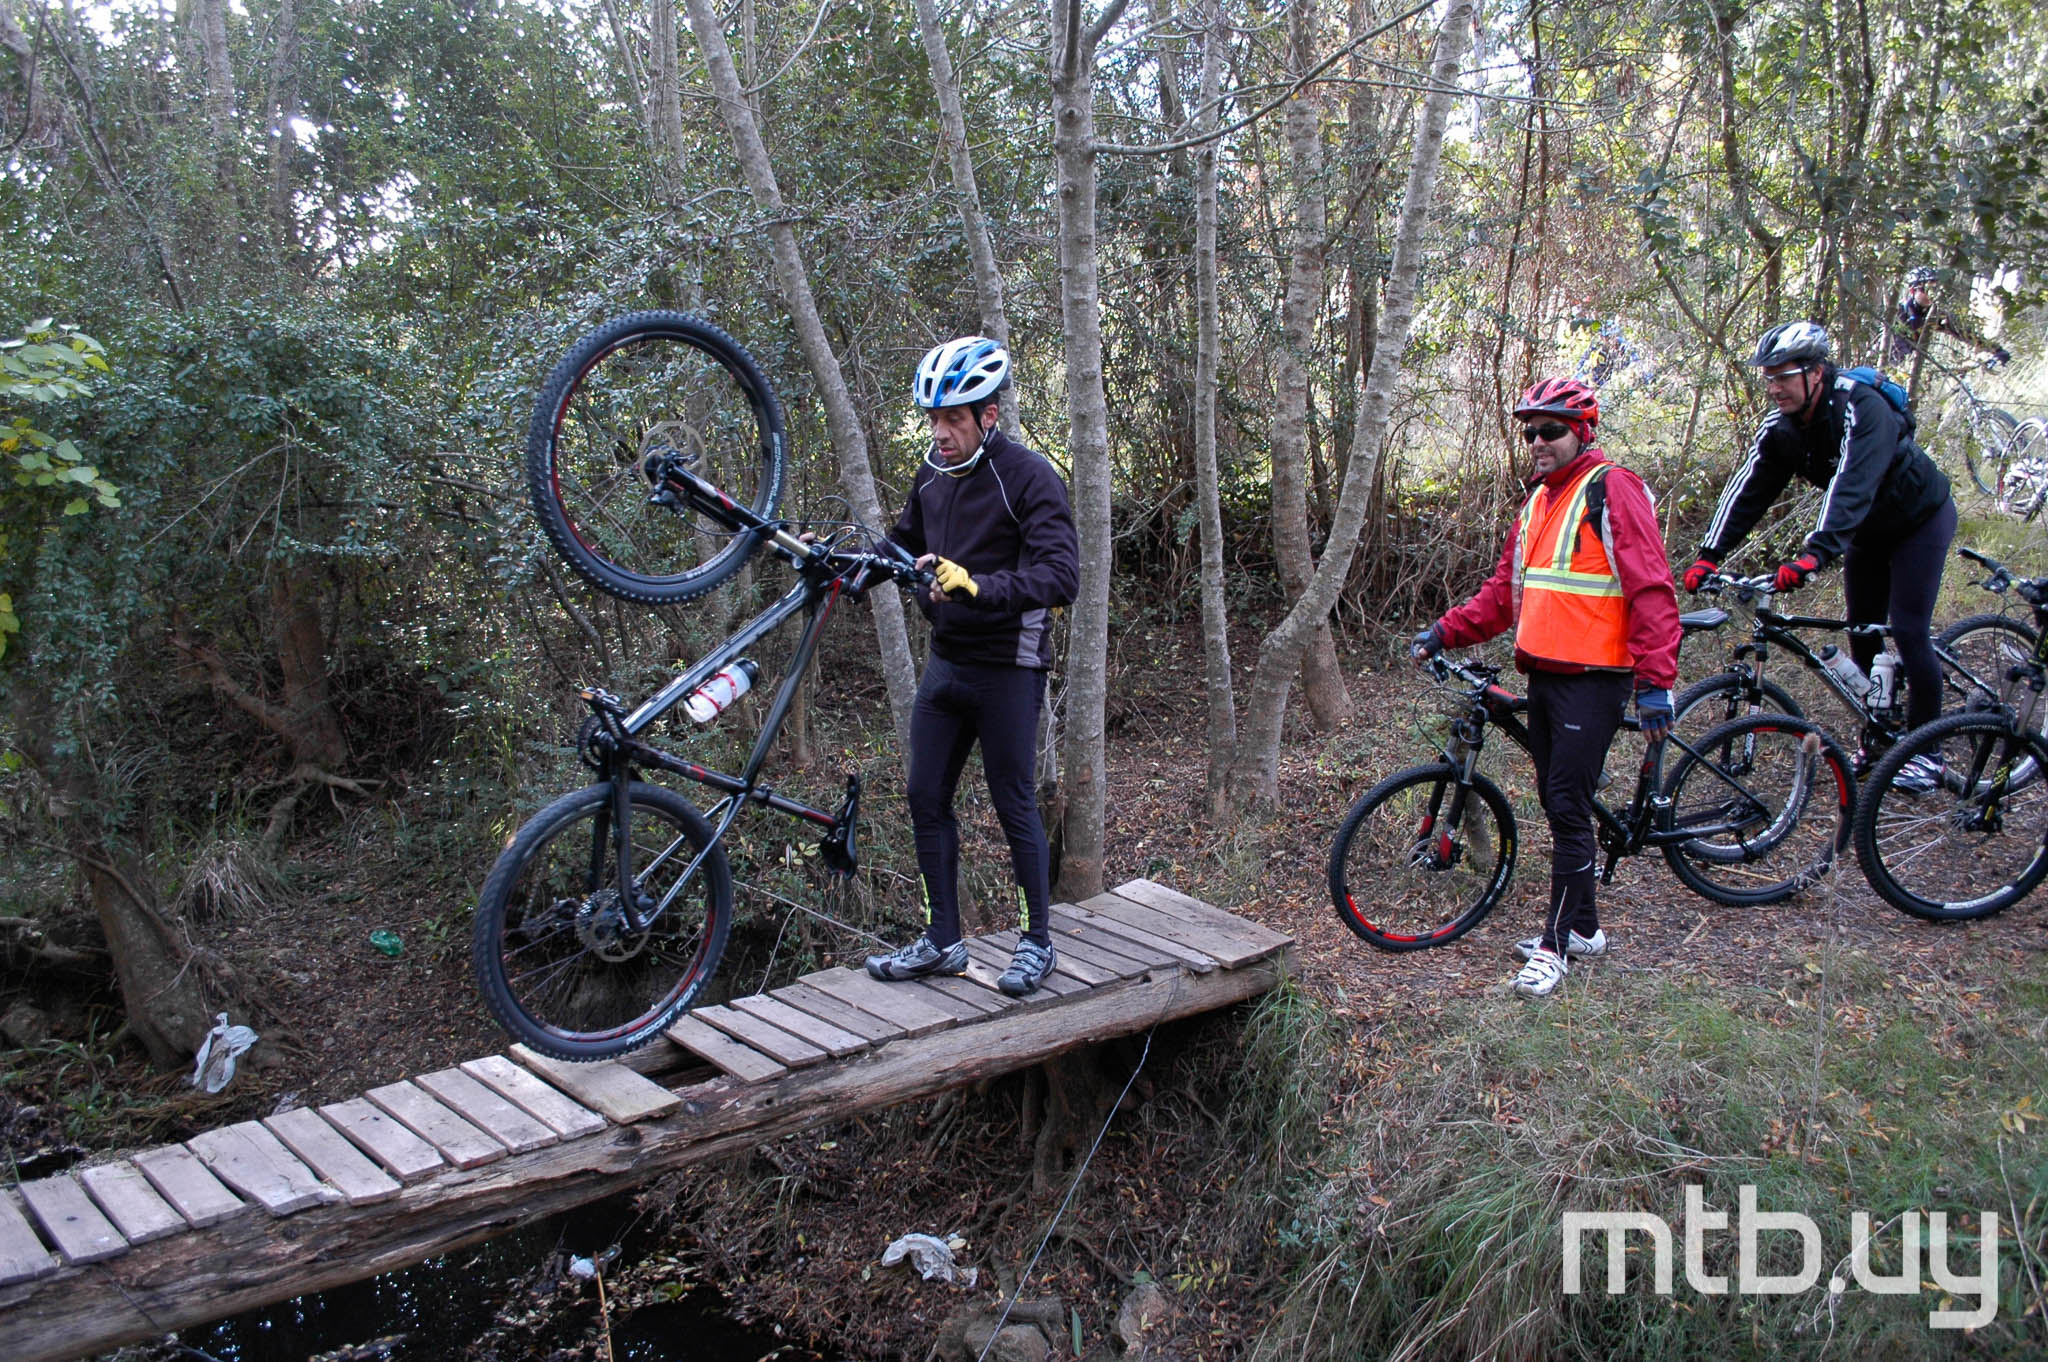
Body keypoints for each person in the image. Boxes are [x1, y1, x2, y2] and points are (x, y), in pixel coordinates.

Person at [1412, 379, 1680, 999]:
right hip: (1546, 676)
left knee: (1565, 806)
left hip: (1596, 681)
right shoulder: (1537, 503)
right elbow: (1502, 596)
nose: (1537, 441)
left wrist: (1655, 682)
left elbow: (1651, 589)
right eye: (1530, 431)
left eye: (1551, 430)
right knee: (1562, 804)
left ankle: (1555, 949)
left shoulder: (1613, 488)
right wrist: (1444, 632)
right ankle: (1584, 929)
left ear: (1582, 432)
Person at [864, 337, 1079, 997]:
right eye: (933, 419)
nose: (941, 433)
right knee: (924, 796)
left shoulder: (1029, 477)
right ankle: (943, 941)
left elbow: (1061, 576)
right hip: (947, 664)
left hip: (1008, 667)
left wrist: (978, 586)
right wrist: (846, 566)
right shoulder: (934, 473)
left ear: (989, 415)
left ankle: (1037, 943)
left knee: (1013, 801)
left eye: (954, 419)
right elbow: (902, 544)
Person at [1683, 321, 1957, 788]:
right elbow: (1749, 490)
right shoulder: (1782, 428)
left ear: (1815, 372)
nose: (1774, 388)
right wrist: (1710, 554)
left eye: (1784, 377)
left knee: (1909, 631)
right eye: (1769, 378)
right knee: (1862, 631)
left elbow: (1854, 482)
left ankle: (1928, 752)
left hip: (1919, 520)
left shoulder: (1862, 407)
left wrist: (1815, 554)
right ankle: (1880, 735)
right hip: (1867, 533)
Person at [1890, 266, 2009, 368]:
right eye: (1926, 289)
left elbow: (1964, 331)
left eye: (1935, 289)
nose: (1931, 294)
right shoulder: (1898, 313)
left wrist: (1996, 350)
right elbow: (1895, 350)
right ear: (1912, 291)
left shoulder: (1935, 313)